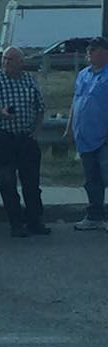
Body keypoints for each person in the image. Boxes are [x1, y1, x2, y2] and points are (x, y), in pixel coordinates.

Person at [0, 46, 50, 238]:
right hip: (3, 138)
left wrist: (36, 131)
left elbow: (40, 107)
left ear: (20, 62)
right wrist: (1, 112)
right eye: (4, 59)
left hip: (26, 138)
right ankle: (16, 224)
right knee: (7, 183)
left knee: (31, 183)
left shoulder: (29, 80)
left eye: (10, 60)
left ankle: (35, 221)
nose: (5, 63)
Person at [67, 35, 108, 230]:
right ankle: (95, 216)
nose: (89, 53)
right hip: (84, 135)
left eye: (94, 49)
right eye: (88, 49)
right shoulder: (83, 74)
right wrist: (69, 127)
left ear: (104, 52)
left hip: (104, 137)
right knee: (92, 180)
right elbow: (76, 101)